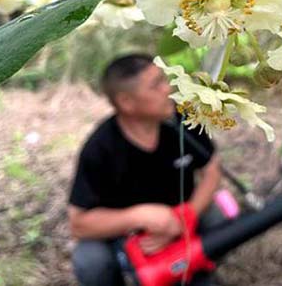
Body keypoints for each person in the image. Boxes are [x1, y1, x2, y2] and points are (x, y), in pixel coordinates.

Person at [67, 54, 225, 286]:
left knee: (217, 218)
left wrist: (185, 216)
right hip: (125, 235)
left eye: (165, 79)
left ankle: (198, 271)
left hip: (181, 220)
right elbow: (79, 224)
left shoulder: (184, 121)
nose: (168, 89)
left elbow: (212, 169)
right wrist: (140, 216)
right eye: (156, 85)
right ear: (126, 102)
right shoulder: (100, 148)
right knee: (90, 260)